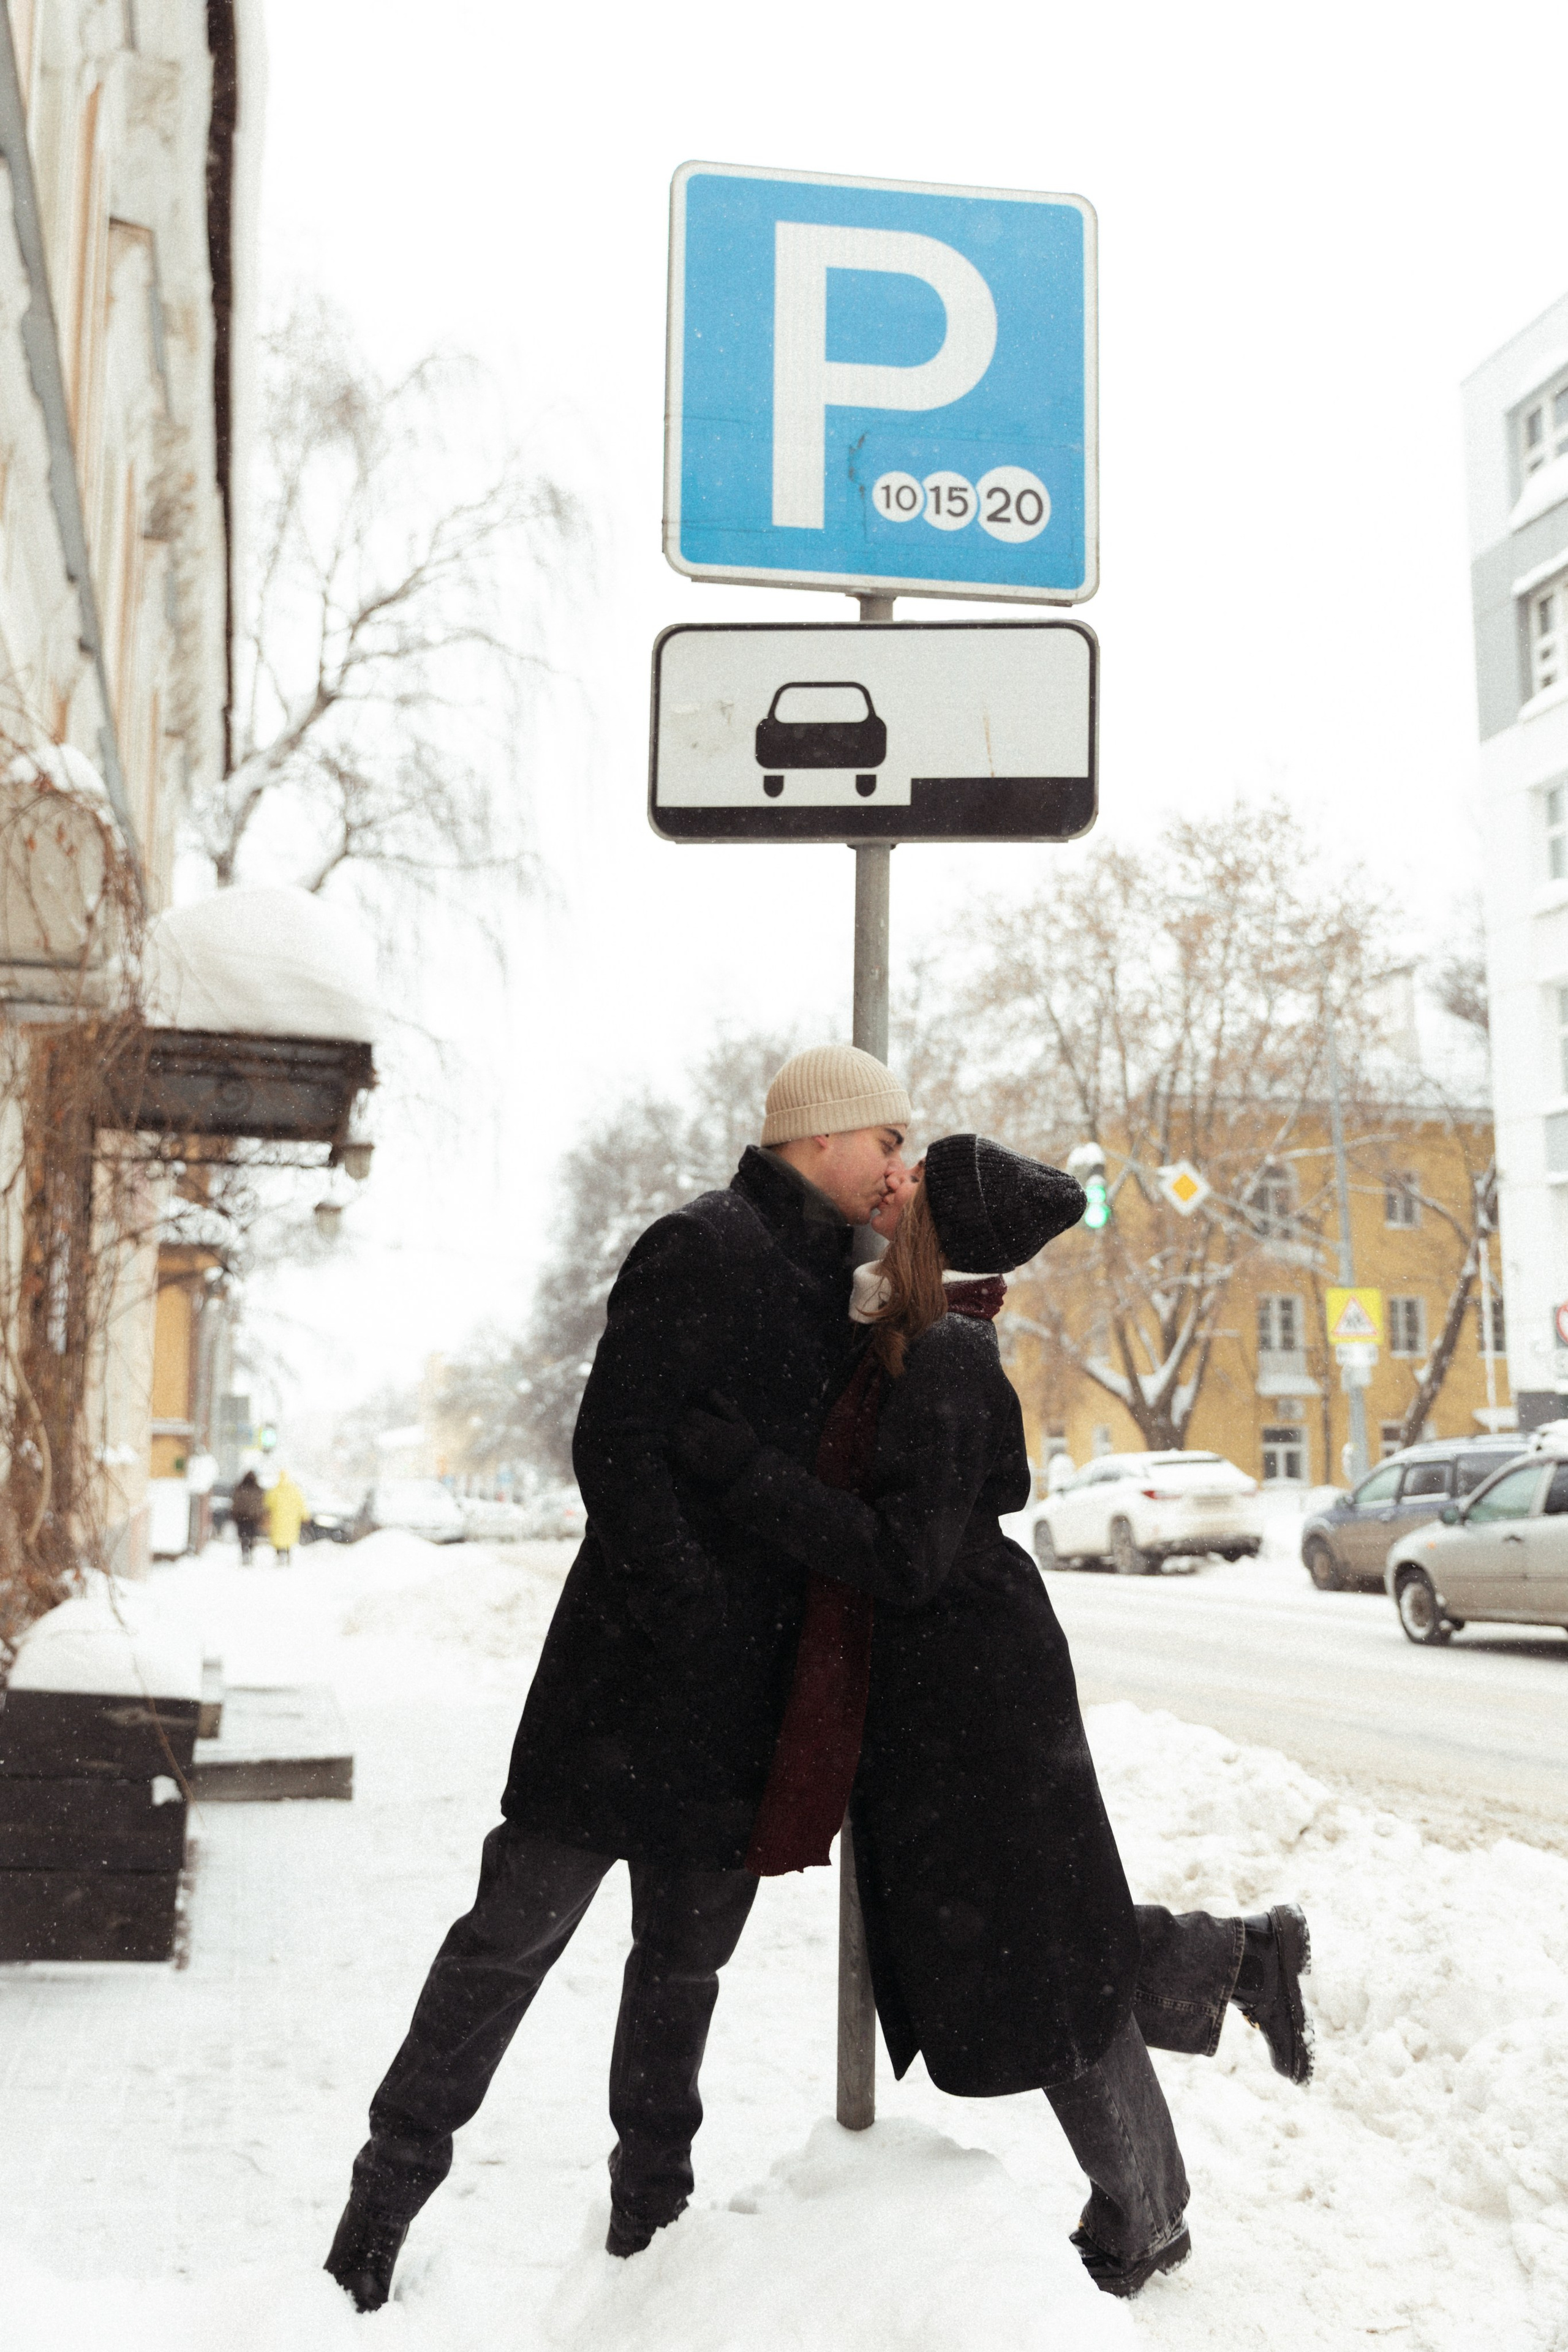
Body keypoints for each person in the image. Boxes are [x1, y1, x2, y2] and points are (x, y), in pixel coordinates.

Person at [325, 1046, 913, 2312]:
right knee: (505, 1947)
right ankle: (377, 2208)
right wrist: (691, 1608)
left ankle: (653, 2227)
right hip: (623, 1695)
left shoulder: (843, 1293)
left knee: (682, 1973)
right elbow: (615, 1444)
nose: (897, 1166)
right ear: (820, 1139)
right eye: (885, 1140)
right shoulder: (698, 1245)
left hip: (740, 1712)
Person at [674, 1137, 1313, 2301]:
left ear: (944, 1229)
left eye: (916, 1179)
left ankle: (1147, 2209)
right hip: (955, 1690)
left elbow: (905, 1558)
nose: (893, 1181)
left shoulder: (947, 1357)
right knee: (1041, 1942)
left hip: (972, 1702)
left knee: (1033, 1964)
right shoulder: (912, 1331)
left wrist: (747, 1476)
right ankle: (1234, 1969)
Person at [266, 1468, 306, 1566]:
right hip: (291, 1521)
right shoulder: (295, 1491)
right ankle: (288, 1555)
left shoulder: (275, 1490)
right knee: (289, 1539)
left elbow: (268, 1504)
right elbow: (301, 1504)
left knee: (278, 1539)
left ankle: (280, 1555)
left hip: (277, 1520)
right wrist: (305, 1516)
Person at [230, 1468, 267, 1564]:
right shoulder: (258, 1490)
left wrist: (235, 1515)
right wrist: (260, 1516)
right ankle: (250, 1553)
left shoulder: (240, 1488)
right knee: (251, 1537)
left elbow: (235, 1503)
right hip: (253, 1518)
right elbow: (261, 1505)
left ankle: (245, 1553)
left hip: (242, 1518)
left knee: (244, 1537)